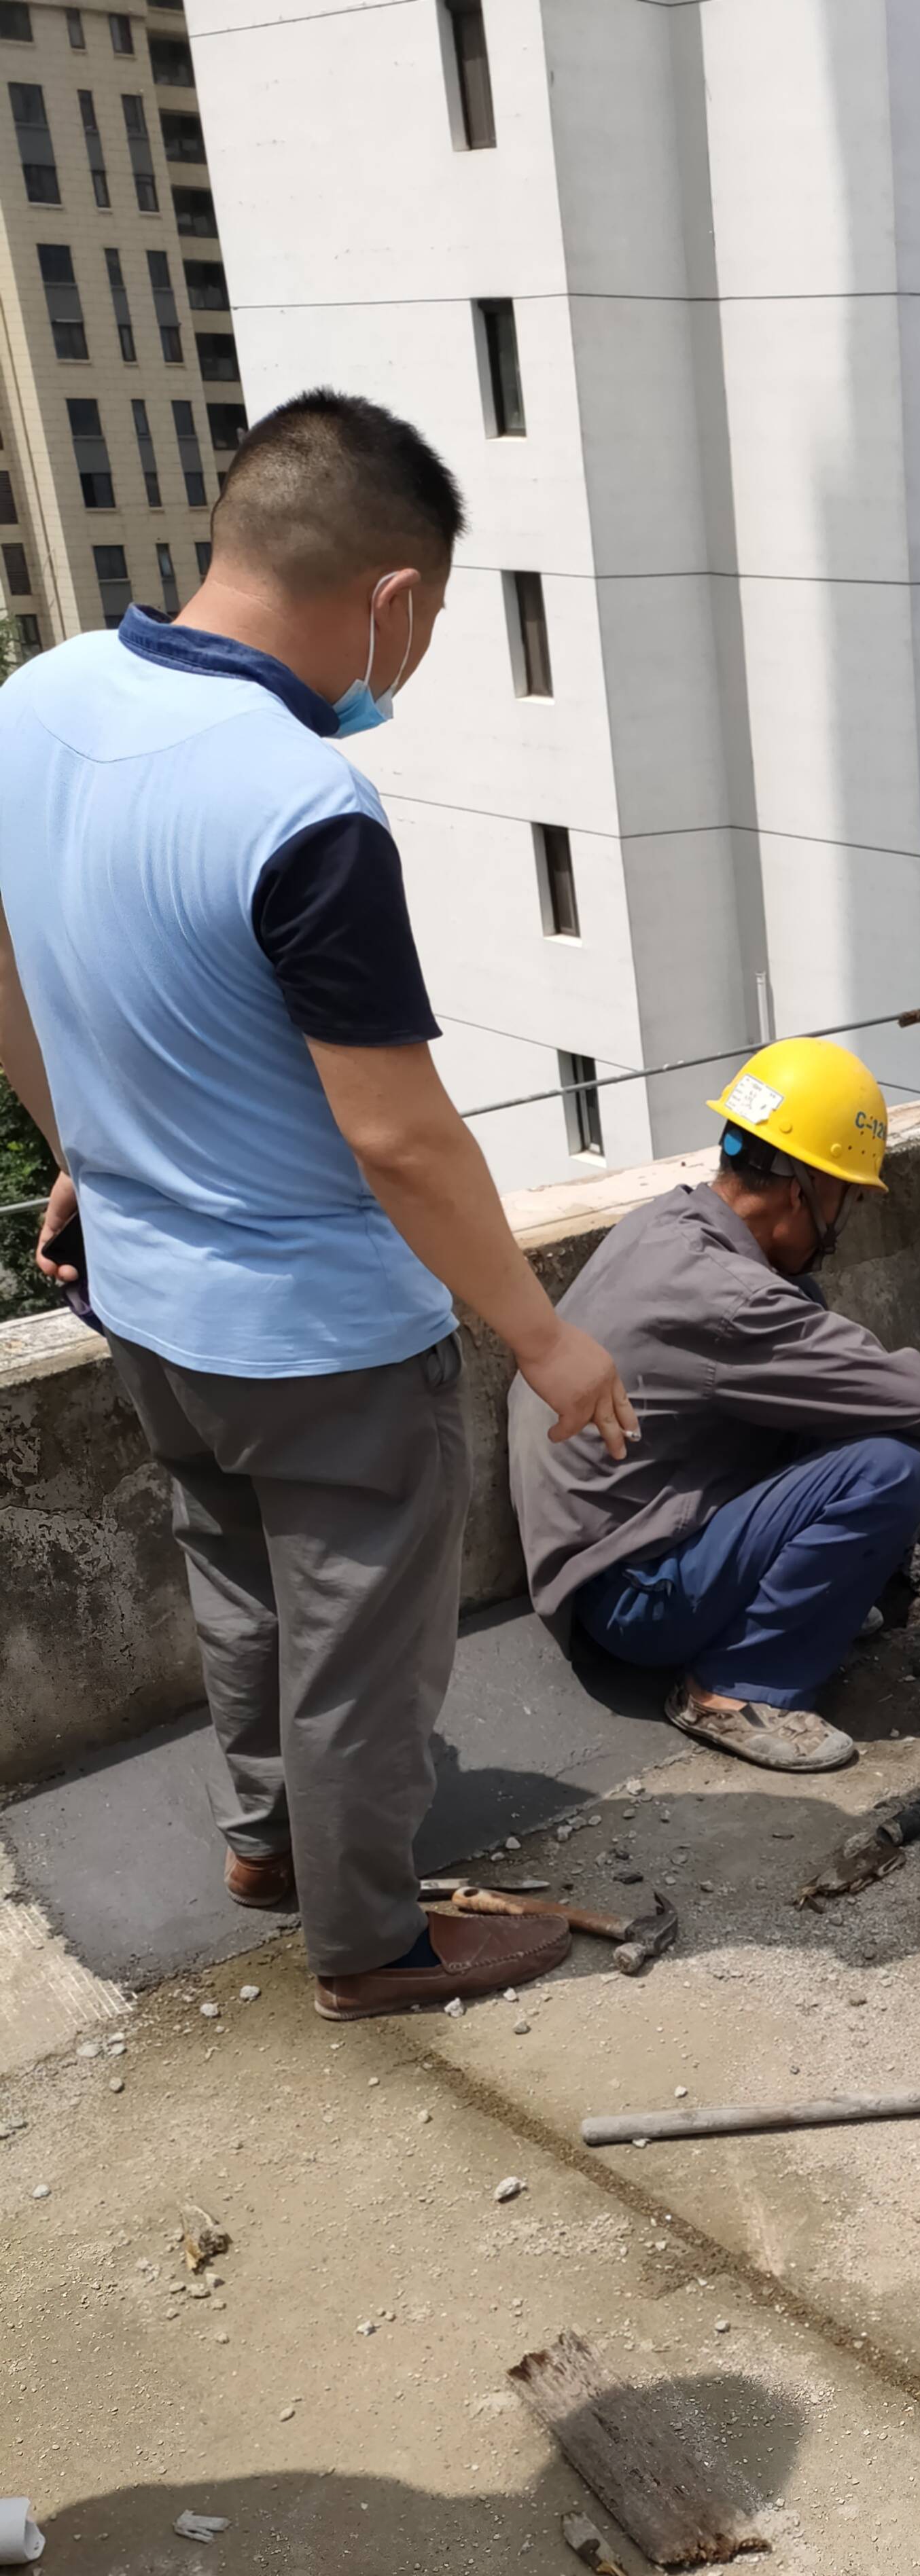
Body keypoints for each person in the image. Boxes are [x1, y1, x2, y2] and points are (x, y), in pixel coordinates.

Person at [0, 389, 637, 2022]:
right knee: (365, 1647)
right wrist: (546, 1337)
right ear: (394, 599)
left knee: (238, 1584)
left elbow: (15, 965)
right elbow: (400, 1135)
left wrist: (83, 1140)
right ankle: (371, 1943)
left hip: (147, 1298)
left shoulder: (39, 701)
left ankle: (269, 1846)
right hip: (321, 1336)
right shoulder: (304, 804)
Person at [509, 1034, 920, 1769]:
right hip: (635, 1595)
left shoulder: (668, 1226)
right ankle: (732, 1688)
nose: (842, 1220)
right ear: (803, 1188)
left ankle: (802, 1604)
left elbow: (836, 1374)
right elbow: (901, 1391)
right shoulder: (729, 1296)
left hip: (618, 1544)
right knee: (889, 1468)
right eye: (845, 1196)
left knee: (838, 1388)